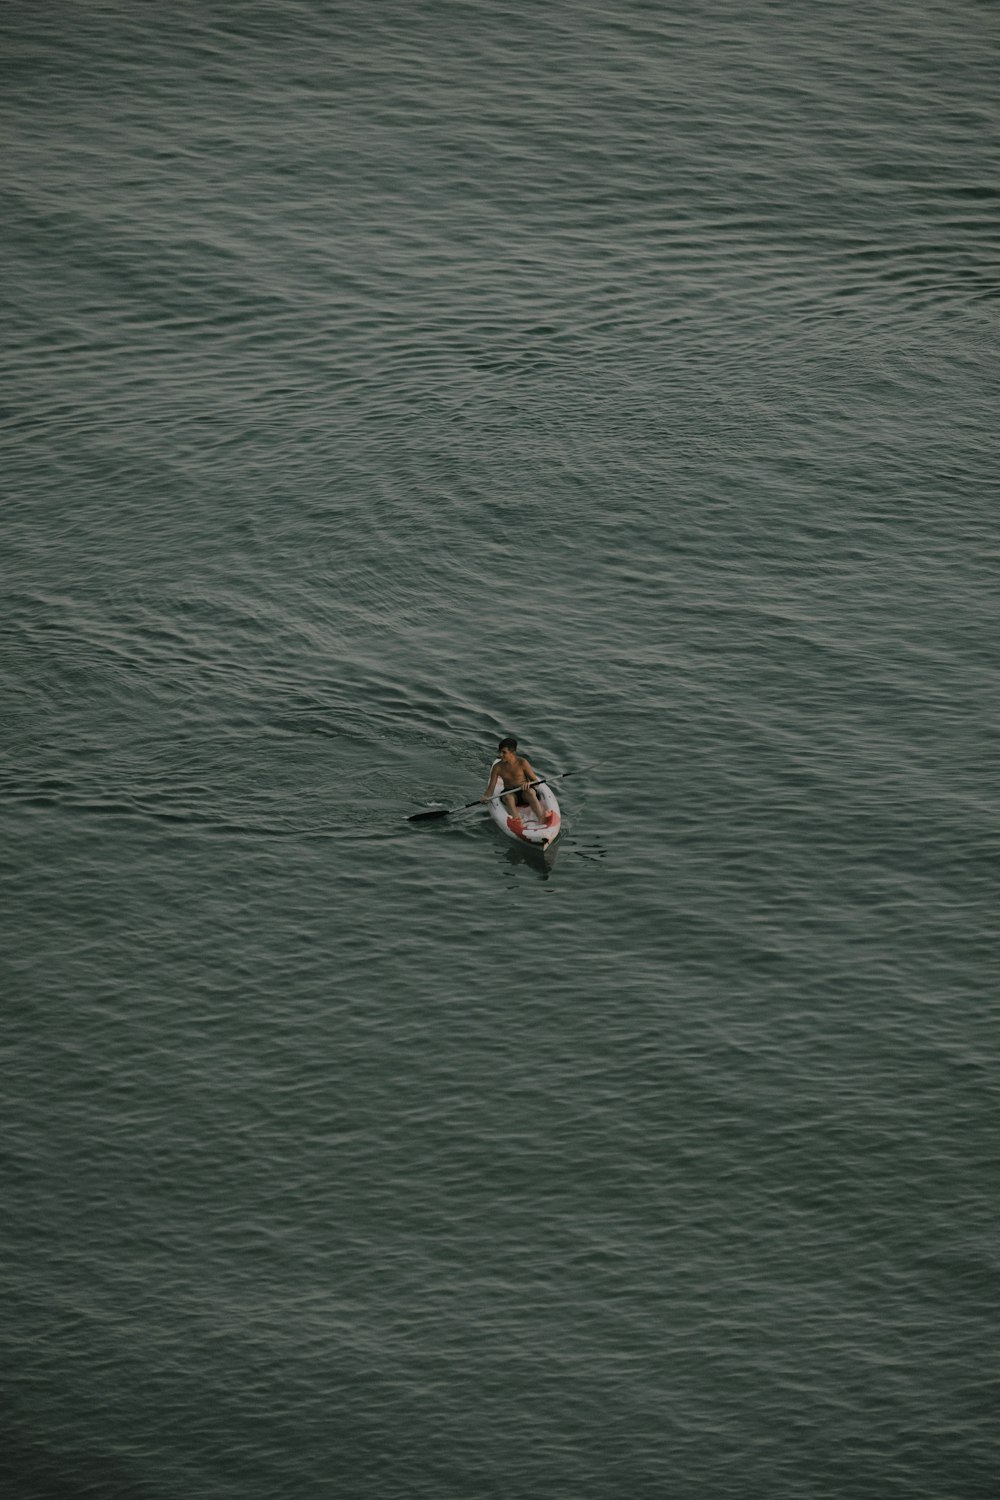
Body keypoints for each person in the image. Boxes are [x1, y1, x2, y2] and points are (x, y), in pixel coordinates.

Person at [480, 736, 556, 832]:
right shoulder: (497, 767)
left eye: (504, 752)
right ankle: (517, 820)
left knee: (530, 792)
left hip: (524, 791)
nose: (500, 755)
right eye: (500, 752)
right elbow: (490, 790)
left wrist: (529, 784)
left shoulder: (522, 763)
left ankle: (541, 817)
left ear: (513, 752)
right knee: (508, 797)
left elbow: (536, 781)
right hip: (510, 792)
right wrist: (485, 797)